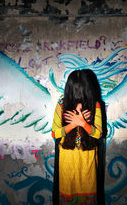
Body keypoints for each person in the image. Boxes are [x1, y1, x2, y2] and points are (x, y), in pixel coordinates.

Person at [52, 69, 106, 205]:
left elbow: (99, 134)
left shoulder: (96, 105)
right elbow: (54, 133)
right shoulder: (62, 104)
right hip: (67, 159)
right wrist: (72, 124)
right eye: (75, 87)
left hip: (87, 159)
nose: (77, 91)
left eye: (80, 87)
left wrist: (83, 123)